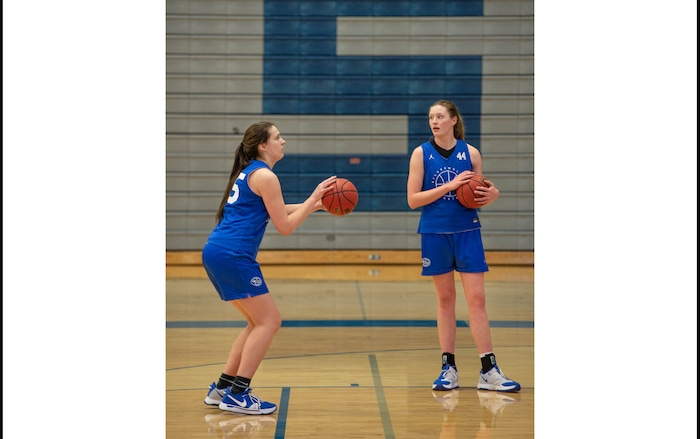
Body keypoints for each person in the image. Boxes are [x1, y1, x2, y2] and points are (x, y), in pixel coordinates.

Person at [201, 121, 337, 414]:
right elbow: (284, 226)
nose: (283, 141)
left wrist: (312, 206)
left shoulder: (252, 172)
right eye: (278, 137)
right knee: (269, 321)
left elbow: (276, 209)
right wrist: (314, 197)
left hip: (217, 251)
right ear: (263, 145)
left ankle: (223, 387)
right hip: (233, 255)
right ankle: (239, 393)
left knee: (256, 322)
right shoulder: (265, 176)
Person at [406, 100, 521, 393]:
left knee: (478, 299)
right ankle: (448, 368)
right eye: (431, 116)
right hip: (434, 232)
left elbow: (479, 192)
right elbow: (412, 200)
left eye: (440, 116)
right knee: (445, 300)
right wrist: (450, 186)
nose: (434, 121)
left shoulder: (470, 153)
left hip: (468, 231)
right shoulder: (421, 154)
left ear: (453, 120)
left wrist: (492, 194)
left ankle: (489, 370)